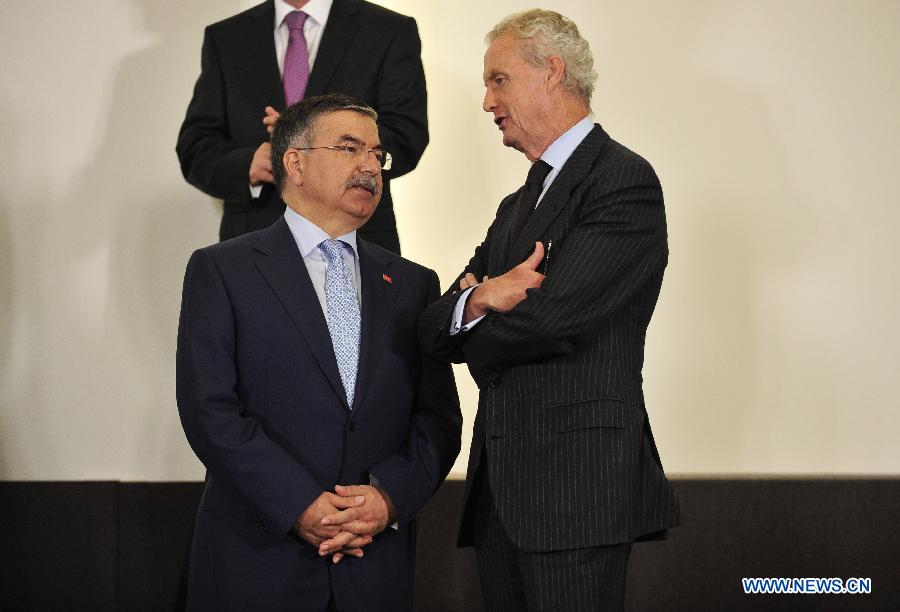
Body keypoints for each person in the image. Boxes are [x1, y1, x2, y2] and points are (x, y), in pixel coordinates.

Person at [417, 10, 680, 611]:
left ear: (551, 72)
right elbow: (434, 329)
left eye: (498, 80)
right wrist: (482, 296)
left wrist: (472, 322)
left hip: (576, 489)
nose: (487, 102)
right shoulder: (517, 203)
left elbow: (551, 319)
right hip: (501, 493)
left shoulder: (623, 180)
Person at [176, 94, 460, 611]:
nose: (370, 166)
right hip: (257, 562)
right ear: (295, 162)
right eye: (350, 148)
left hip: (373, 569)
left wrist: (386, 500)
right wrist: (300, 505)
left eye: (377, 154)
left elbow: (437, 421)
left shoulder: (413, 284)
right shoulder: (224, 271)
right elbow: (209, 410)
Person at [176, 0, 428, 253]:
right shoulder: (226, 37)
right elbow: (195, 147)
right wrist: (250, 163)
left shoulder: (388, 29)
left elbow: (406, 135)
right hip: (253, 244)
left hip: (359, 241)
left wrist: (324, 146)